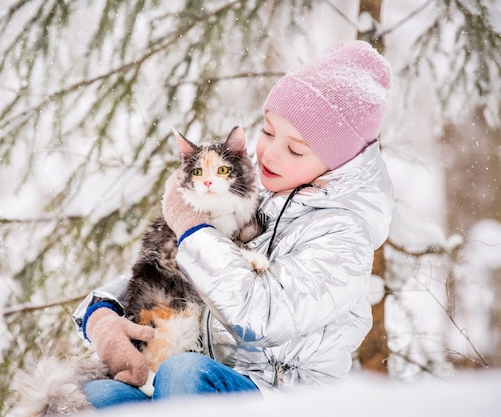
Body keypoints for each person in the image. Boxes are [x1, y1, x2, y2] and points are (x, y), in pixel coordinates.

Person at [72, 39, 394, 409]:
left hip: (278, 398)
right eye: (269, 131)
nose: (269, 153)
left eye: (295, 149)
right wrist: (101, 313)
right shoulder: (263, 195)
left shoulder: (342, 234)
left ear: (337, 162)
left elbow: (261, 316)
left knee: (183, 374)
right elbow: (166, 270)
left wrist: (193, 229)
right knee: (97, 397)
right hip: (203, 371)